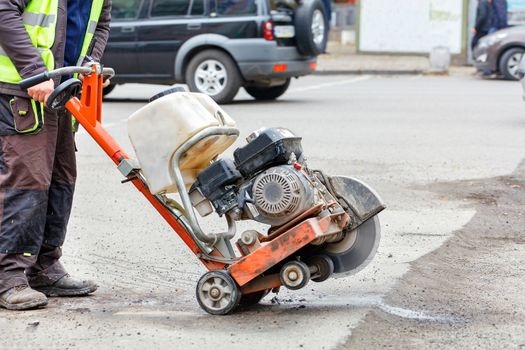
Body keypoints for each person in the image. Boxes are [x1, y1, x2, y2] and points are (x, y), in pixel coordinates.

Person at [0, 0, 111, 310]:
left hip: (63, 90)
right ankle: (7, 276)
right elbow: (3, 11)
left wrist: (91, 65)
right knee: (26, 179)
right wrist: (34, 72)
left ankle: (45, 267)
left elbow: (99, 24)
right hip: (20, 89)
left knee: (61, 178)